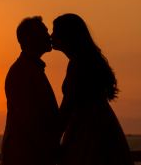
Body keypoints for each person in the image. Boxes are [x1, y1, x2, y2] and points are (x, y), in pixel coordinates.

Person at [52, 13, 133, 165]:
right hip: (101, 127)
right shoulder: (84, 61)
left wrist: (51, 138)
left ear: (67, 35)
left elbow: (68, 105)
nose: (51, 36)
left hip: (87, 133)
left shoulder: (78, 65)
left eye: (55, 31)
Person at [1, 16, 61, 165]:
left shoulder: (31, 69)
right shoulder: (22, 72)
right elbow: (31, 120)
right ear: (29, 39)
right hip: (26, 155)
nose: (49, 36)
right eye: (44, 32)